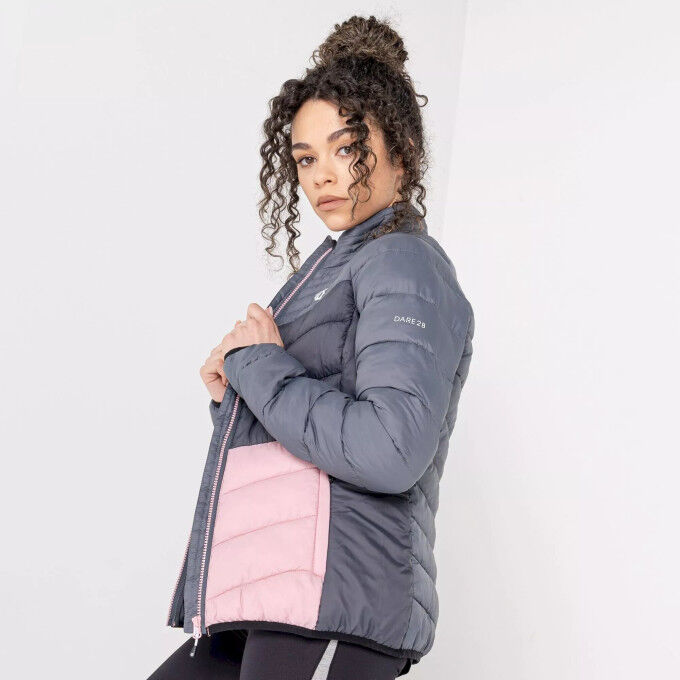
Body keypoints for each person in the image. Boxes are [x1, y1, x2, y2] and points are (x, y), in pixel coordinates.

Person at [148, 14, 475, 680]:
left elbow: (390, 449)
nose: (323, 175)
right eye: (305, 158)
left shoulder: (403, 263)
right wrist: (236, 396)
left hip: (339, 599)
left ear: (403, 148)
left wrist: (263, 367)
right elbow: (308, 437)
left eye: (346, 149)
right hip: (283, 591)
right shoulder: (337, 268)